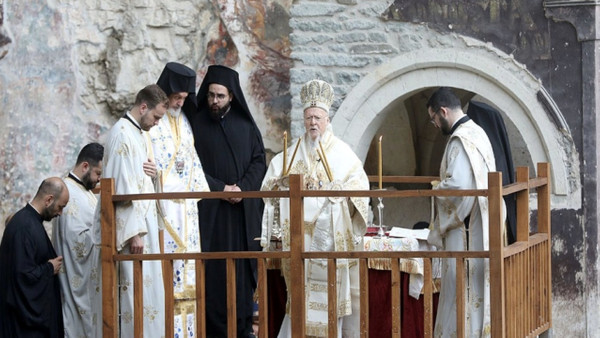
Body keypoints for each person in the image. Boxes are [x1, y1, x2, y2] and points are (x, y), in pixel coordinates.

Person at [260, 79, 370, 337]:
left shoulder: (343, 153)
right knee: (300, 299)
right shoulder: (293, 151)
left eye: (318, 117)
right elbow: (270, 186)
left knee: (328, 299)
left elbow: (359, 186)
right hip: (300, 243)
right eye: (308, 117)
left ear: (327, 120)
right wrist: (285, 184)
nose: (312, 123)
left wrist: (338, 194)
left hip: (329, 241)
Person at [187, 65, 266, 338]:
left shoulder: (246, 126)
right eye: (210, 95)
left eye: (220, 96)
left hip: (241, 216)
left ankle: (242, 330)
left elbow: (259, 162)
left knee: (241, 278)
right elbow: (190, 165)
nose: (214, 101)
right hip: (211, 215)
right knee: (214, 277)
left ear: (231, 96)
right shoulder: (196, 124)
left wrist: (243, 188)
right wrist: (221, 188)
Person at [425, 87, 504, 337]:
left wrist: (437, 190)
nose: (435, 124)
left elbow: (459, 187)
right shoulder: (477, 133)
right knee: (474, 291)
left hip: (466, 231)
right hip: (480, 224)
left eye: (434, 118)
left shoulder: (460, 139)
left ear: (443, 111)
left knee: (461, 290)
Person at [95, 84, 168, 337]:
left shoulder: (139, 134)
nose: (157, 123)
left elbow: (141, 179)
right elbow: (120, 185)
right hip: (132, 234)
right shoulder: (122, 133)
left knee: (149, 294)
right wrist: (134, 233)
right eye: (156, 117)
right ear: (143, 107)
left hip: (143, 227)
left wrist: (155, 175)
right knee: (134, 296)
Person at [151, 62, 210, 336]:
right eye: (177, 97)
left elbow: (191, 164)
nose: (180, 102)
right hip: (163, 209)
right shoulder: (153, 123)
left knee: (188, 277)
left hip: (186, 213)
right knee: (166, 276)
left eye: (185, 98)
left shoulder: (185, 122)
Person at [0, 177, 69, 338]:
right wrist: (49, 268)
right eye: (60, 207)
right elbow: (21, 277)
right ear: (49, 199)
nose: (60, 213)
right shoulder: (24, 226)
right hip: (23, 328)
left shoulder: (29, 222)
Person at [52, 142, 104, 338]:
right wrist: (106, 228)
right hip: (78, 281)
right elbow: (78, 246)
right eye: (98, 173)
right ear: (85, 167)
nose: (99, 180)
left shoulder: (82, 191)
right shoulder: (71, 194)